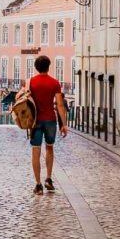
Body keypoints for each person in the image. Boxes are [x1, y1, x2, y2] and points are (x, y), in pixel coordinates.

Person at [29, 55, 67, 195]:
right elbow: (60, 105)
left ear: (36, 67)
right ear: (49, 66)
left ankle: (38, 185)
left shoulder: (31, 82)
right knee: (49, 148)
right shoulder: (54, 83)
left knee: (36, 150)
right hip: (50, 120)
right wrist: (64, 124)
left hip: (35, 121)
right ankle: (48, 179)